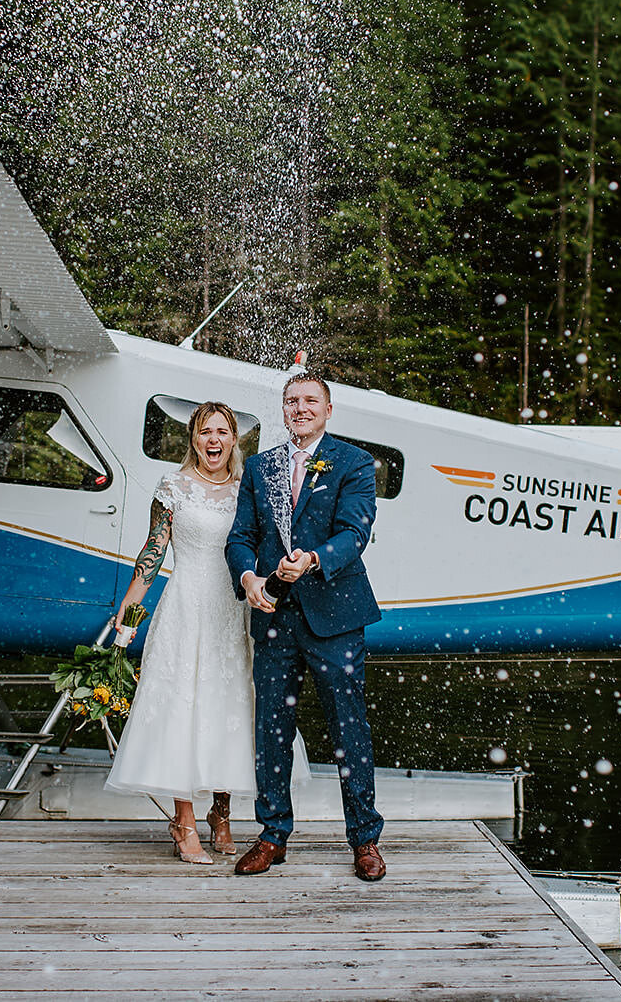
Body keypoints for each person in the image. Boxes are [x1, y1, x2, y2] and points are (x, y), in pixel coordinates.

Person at [226, 372, 386, 881]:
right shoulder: (260, 465)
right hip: (273, 616)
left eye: (310, 401)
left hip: (335, 617)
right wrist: (249, 576)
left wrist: (315, 558)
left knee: (348, 727)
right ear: (283, 409)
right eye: (292, 401)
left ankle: (364, 839)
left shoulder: (355, 462)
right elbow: (241, 536)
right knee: (271, 727)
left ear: (328, 409)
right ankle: (273, 834)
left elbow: (355, 531)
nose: (301, 408)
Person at [103, 402, 256, 864]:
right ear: (193, 438)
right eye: (205, 432)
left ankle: (222, 812)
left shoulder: (246, 490)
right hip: (185, 607)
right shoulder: (173, 487)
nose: (214, 440)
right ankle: (184, 821)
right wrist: (129, 609)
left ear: (234, 440)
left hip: (233, 611)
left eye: (222, 432)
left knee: (229, 705)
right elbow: (153, 550)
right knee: (181, 710)